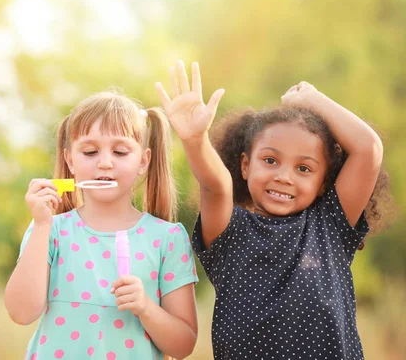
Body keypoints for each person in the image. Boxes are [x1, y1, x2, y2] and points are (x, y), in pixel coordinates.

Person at [156, 61, 393, 359]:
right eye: (270, 160)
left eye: (304, 168)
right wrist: (194, 140)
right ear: (244, 165)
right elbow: (215, 186)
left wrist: (310, 99)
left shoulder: (330, 224)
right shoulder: (230, 230)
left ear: (323, 183)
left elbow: (367, 149)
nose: (284, 176)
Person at [5, 90, 199, 360]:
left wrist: (145, 307)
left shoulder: (167, 238)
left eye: (120, 152)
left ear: (143, 161)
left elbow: (183, 346)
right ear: (70, 160)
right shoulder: (50, 230)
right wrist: (40, 226)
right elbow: (21, 313)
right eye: (90, 151)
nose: (105, 163)